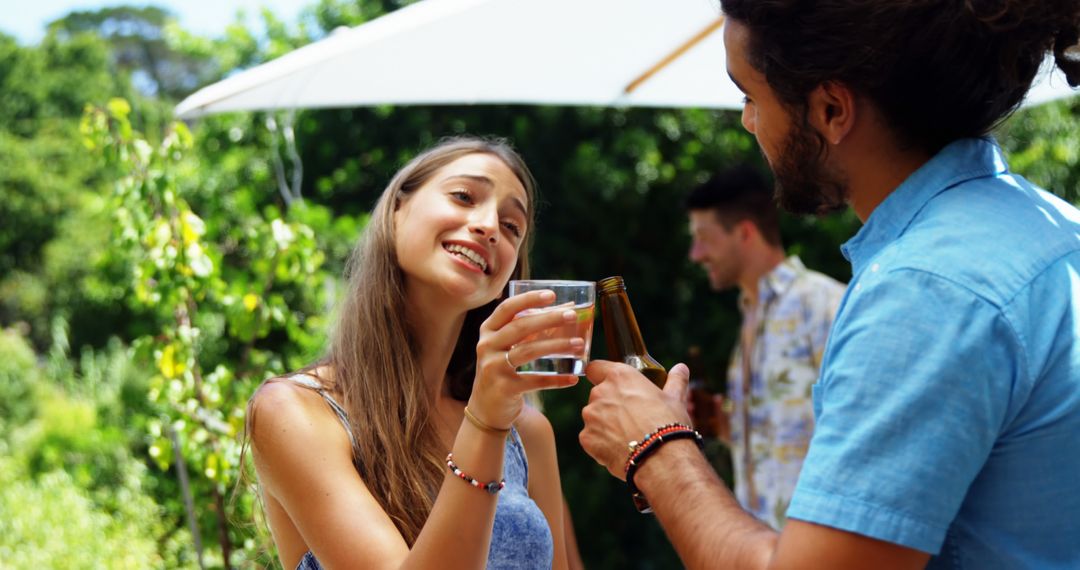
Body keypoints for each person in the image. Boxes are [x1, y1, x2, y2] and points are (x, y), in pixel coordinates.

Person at [579, 2, 1080, 569]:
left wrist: (656, 447)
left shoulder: (924, 291)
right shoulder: (1055, 231)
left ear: (831, 109)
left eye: (749, 95)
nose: (747, 121)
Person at [247, 136, 583, 569]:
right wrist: (485, 421)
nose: (489, 226)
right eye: (464, 197)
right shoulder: (297, 412)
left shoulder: (527, 432)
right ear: (396, 210)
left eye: (512, 226)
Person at [685, 165, 844, 529]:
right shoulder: (751, 313)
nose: (695, 254)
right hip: (762, 546)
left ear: (744, 232)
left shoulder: (823, 303)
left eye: (703, 238)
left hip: (817, 545)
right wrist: (724, 423)